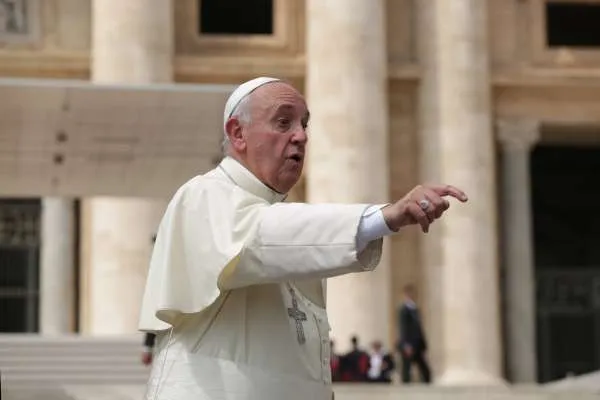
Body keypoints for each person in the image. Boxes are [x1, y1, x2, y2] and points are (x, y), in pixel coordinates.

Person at [138, 77, 467, 400]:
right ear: (238, 133)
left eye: (304, 124)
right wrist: (382, 217)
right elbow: (258, 237)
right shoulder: (203, 195)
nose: (301, 136)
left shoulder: (287, 218)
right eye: (283, 123)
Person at [398, 284, 431, 384]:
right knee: (406, 370)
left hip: (417, 344)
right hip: (409, 344)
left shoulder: (415, 309)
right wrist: (406, 344)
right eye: (408, 293)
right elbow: (403, 328)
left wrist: (423, 344)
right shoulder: (404, 310)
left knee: (425, 371)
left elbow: (419, 328)